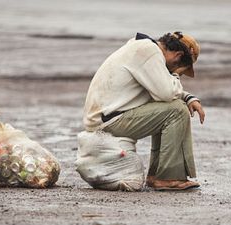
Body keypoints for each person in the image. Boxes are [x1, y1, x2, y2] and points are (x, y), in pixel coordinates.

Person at [82, 32, 205, 191]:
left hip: (104, 118)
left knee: (169, 106)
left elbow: (160, 88)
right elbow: (166, 93)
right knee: (177, 111)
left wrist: (188, 97)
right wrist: (175, 75)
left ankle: (156, 176)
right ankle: (168, 177)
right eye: (180, 69)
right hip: (109, 121)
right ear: (178, 55)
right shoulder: (149, 51)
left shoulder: (142, 47)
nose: (175, 73)